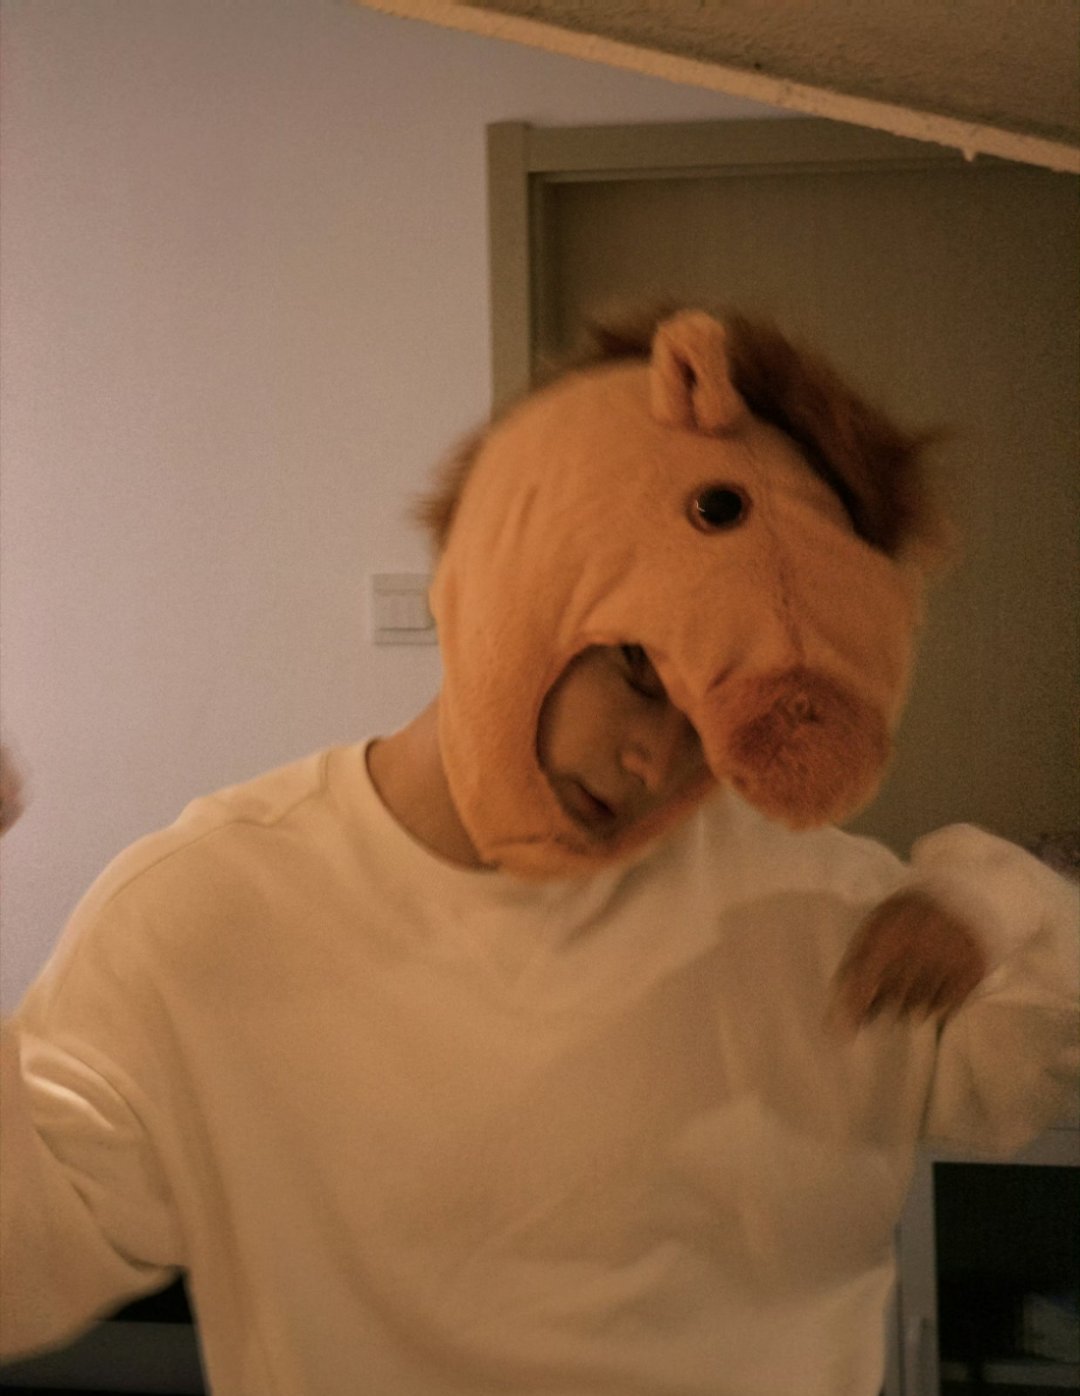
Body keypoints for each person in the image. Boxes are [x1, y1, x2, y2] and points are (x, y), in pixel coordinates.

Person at [1, 308, 1076, 1396]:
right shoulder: (210, 910)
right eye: (638, 672)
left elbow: (1040, 1058)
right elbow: (21, 1265)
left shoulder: (821, 916)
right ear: (515, 577)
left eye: (710, 724)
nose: (657, 762)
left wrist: (998, 905)